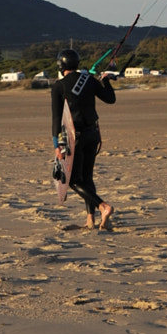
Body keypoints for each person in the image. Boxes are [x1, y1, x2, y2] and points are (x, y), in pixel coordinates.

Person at [51, 48, 117, 229]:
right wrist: (105, 81)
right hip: (93, 134)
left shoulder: (59, 86)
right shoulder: (88, 80)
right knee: (87, 178)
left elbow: (57, 118)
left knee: (73, 180)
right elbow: (110, 99)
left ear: (61, 65)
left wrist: (57, 145)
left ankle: (103, 207)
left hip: (75, 137)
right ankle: (91, 220)